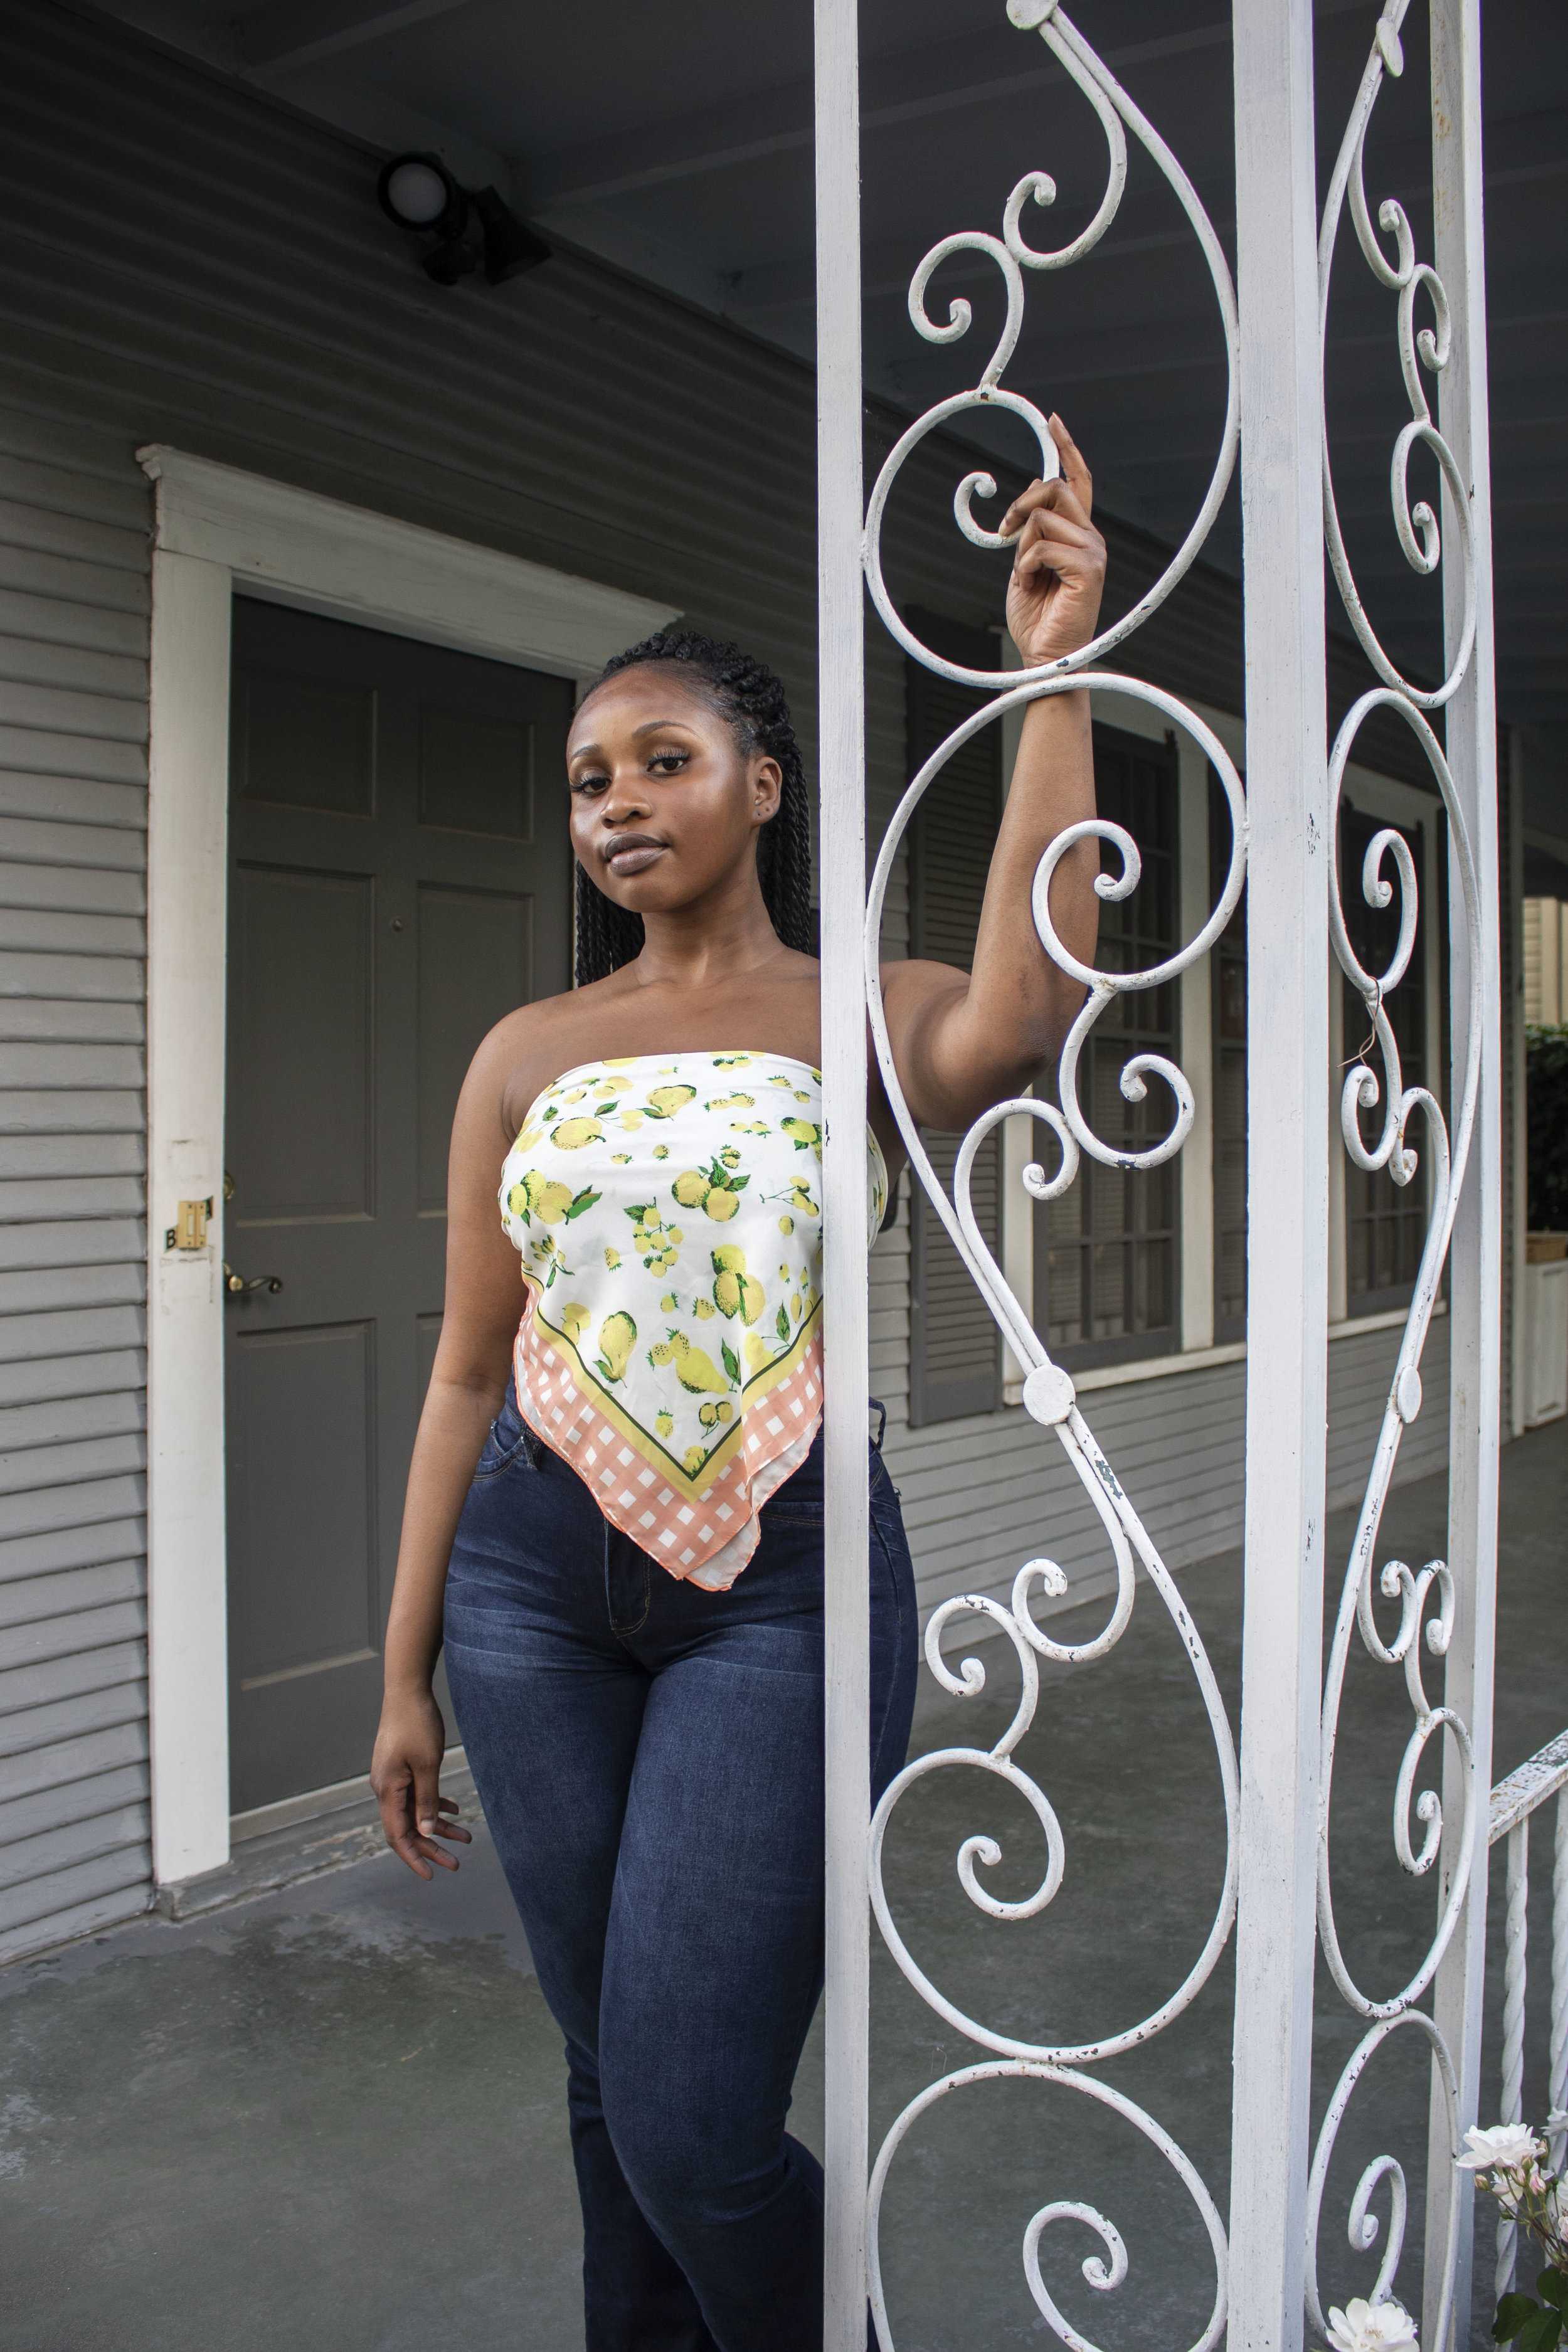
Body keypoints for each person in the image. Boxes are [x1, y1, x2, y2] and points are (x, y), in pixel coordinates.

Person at [369, 415, 1106, 2351]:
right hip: (529, 1585)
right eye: (588, 779)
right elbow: (464, 1368)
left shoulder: (859, 1003)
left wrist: (1053, 674)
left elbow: (1026, 1009)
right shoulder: (524, 1046)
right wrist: (402, 1667)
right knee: (609, 2082)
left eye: (664, 762)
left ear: (761, 786)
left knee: (697, 2116)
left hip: (775, 1587)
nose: (617, 802)